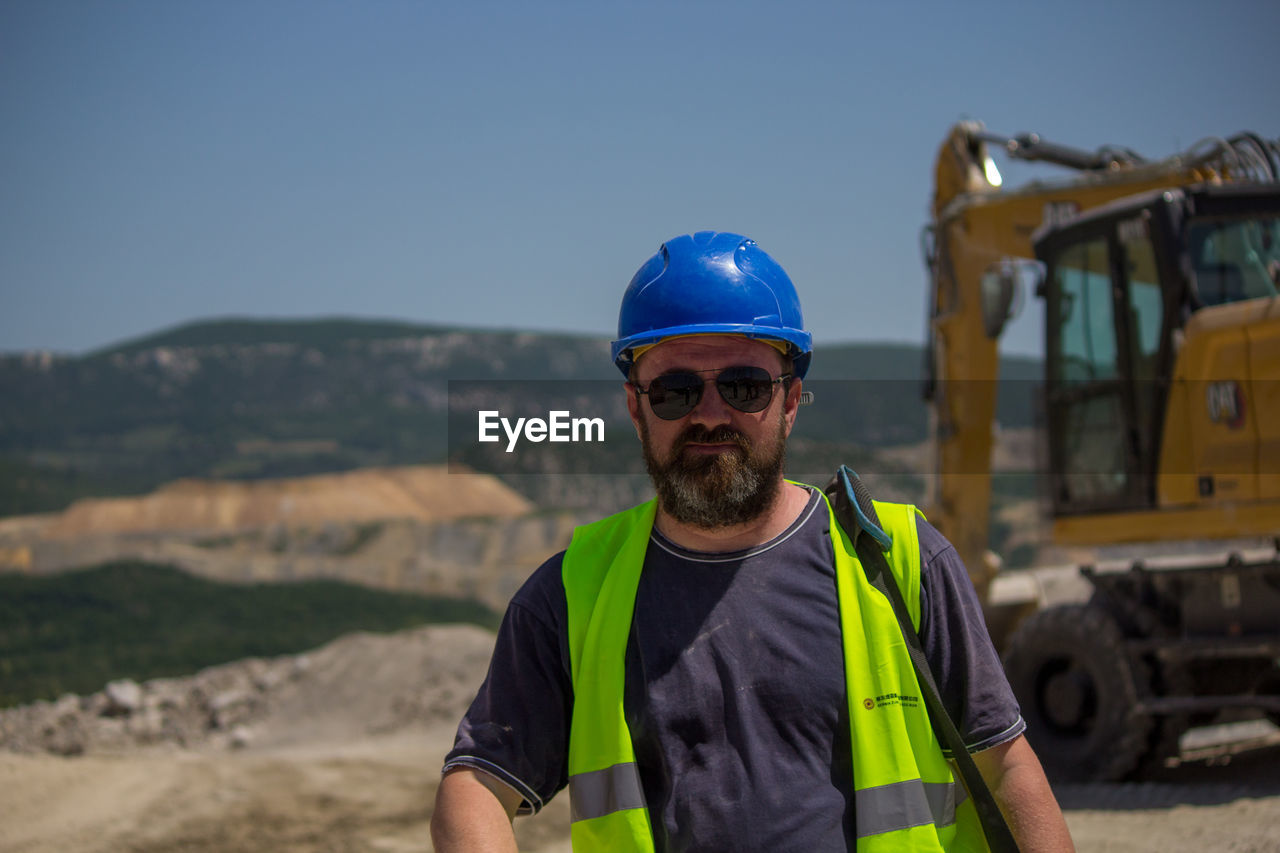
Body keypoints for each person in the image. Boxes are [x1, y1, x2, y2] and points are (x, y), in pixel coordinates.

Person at [430, 232, 1074, 852]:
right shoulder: (573, 595)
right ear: (636, 408)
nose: (710, 413)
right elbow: (476, 787)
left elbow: (1007, 769)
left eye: (743, 386)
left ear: (791, 399)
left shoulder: (901, 560)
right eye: (675, 391)